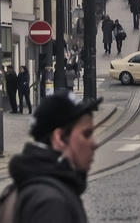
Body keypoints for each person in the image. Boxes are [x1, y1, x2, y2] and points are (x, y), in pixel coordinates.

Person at [8, 92, 101, 222]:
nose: (95, 143)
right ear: (60, 138)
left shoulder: (30, 184)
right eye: (86, 134)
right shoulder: (50, 203)